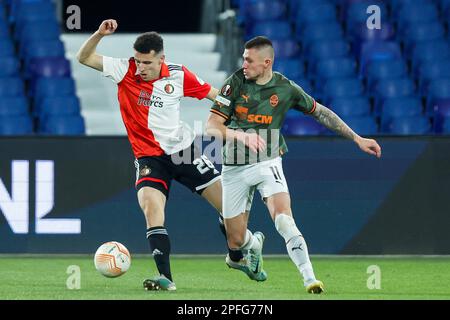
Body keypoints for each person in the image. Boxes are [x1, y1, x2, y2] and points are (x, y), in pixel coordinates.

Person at [76, 19, 263, 291]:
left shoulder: (178, 74)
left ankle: (238, 256)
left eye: (147, 63)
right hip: (149, 159)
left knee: (230, 211)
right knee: (152, 210)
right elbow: (84, 57)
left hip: (184, 153)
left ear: (161, 59)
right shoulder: (124, 70)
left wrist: (239, 116)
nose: (141, 68)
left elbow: (213, 94)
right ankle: (166, 279)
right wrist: (99, 34)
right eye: (138, 61)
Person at [206, 36, 382, 294]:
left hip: (267, 162)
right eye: (244, 58)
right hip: (233, 167)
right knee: (235, 239)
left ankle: (309, 278)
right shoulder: (234, 84)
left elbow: (321, 112)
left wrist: (356, 138)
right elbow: (212, 126)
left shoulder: (285, 88)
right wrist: (240, 135)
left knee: (284, 220)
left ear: (266, 63)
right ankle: (253, 245)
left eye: (249, 60)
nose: (244, 63)